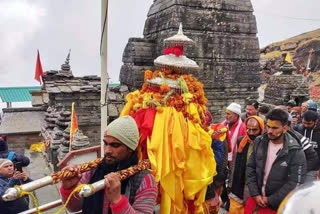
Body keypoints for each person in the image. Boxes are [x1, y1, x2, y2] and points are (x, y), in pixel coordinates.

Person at [60, 116, 157, 214]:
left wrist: (118, 201)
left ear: (130, 148)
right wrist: (69, 188)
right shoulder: (93, 169)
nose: (107, 151)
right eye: (105, 144)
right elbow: (74, 208)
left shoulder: (145, 180)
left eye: (115, 145)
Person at [246, 109, 307, 212]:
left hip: (278, 206)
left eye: (274, 128)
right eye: (268, 126)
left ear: (285, 128)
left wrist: (270, 200)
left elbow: (295, 182)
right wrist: (255, 194)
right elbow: (250, 167)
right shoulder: (259, 142)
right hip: (255, 200)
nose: (270, 131)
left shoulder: (295, 151)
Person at [228, 116, 264, 214]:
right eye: (248, 129)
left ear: (261, 129)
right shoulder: (241, 141)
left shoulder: (265, 144)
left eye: (254, 130)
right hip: (239, 183)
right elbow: (235, 163)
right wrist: (230, 184)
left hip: (256, 187)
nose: (251, 133)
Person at [293, 110, 320, 181]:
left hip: (314, 169)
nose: (306, 125)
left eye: (309, 123)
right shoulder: (297, 129)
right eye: (304, 123)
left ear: (316, 121)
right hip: (296, 166)